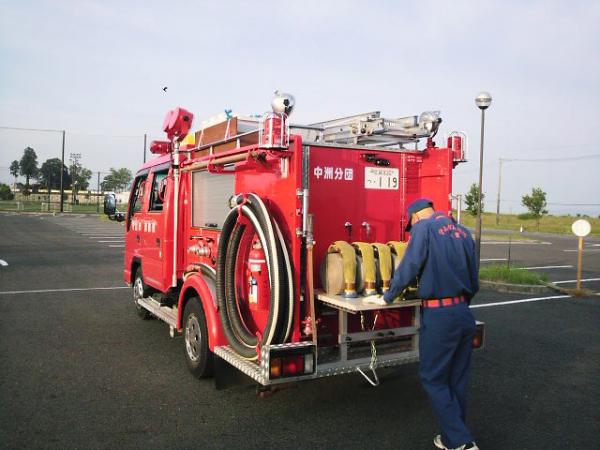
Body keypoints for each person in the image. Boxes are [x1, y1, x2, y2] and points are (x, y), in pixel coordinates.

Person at [384, 198, 480, 450]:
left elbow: (409, 266)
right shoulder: (463, 231)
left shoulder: (423, 228)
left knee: (432, 378)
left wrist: (389, 295)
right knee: (457, 379)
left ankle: (462, 441)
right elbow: (474, 279)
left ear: (415, 218)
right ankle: (451, 439)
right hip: (463, 313)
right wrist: (461, 304)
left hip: (440, 316)